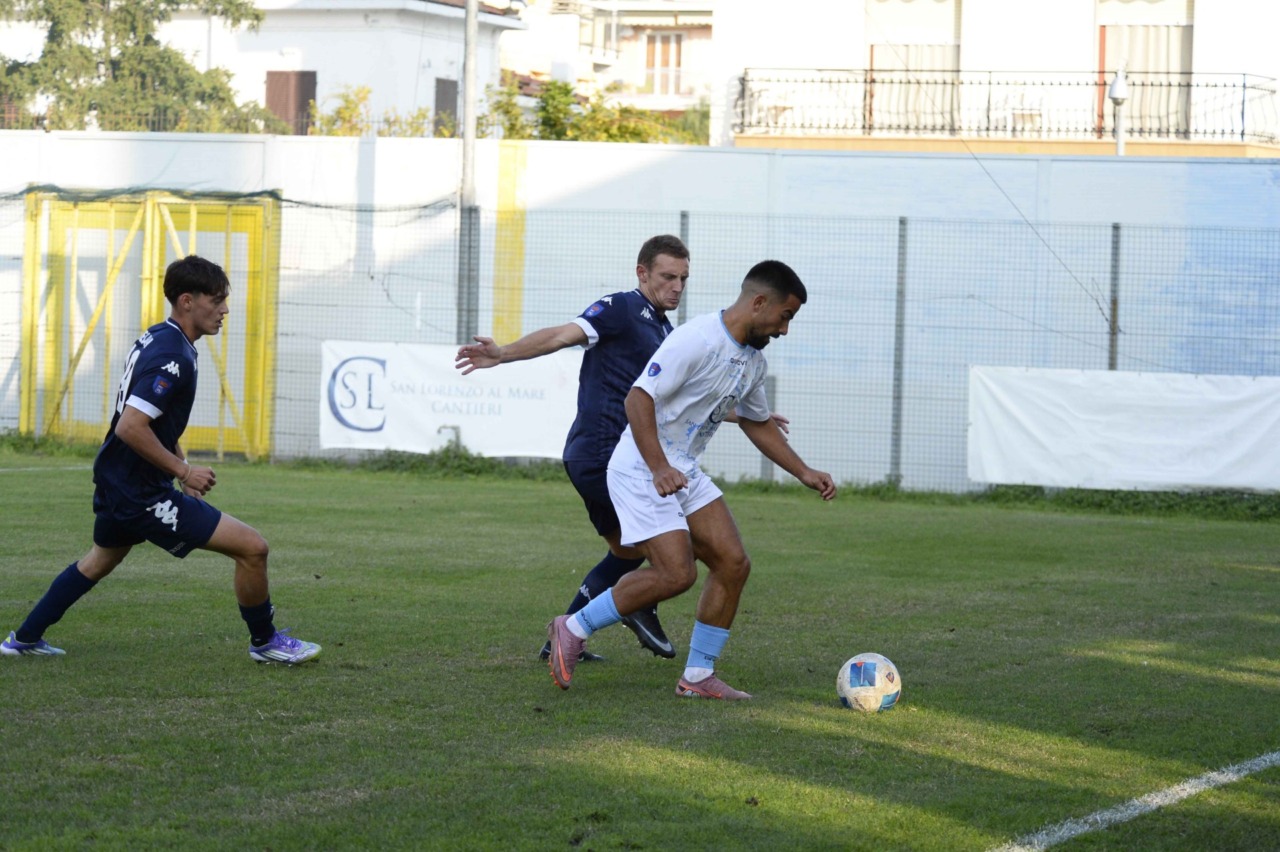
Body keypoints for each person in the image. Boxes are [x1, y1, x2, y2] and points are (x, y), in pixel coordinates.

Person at [1, 255, 321, 665]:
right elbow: (131, 427)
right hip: (139, 491)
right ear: (186, 301)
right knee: (253, 549)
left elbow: (156, 422)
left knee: (99, 560)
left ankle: (23, 639)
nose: (225, 310)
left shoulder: (163, 338)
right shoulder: (172, 355)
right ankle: (266, 643)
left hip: (121, 481)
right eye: (217, 300)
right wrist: (183, 470)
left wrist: (179, 465)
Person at [546, 259, 836, 700]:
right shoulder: (697, 339)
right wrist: (660, 466)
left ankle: (698, 677)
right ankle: (573, 626)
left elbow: (758, 423)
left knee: (733, 563)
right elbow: (638, 398)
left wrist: (804, 471)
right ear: (759, 303)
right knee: (675, 573)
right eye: (785, 316)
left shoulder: (752, 361)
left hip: (682, 468)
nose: (784, 330)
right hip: (642, 466)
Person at [455, 235, 694, 662]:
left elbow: (673, 397)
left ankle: (561, 640)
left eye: (683, 278)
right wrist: (504, 353)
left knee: (625, 551)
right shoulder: (621, 308)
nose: (677, 286)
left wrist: (744, 417)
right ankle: (639, 606)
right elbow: (563, 335)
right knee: (664, 551)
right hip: (602, 453)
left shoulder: (662, 327)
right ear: (642, 273)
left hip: (609, 457)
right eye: (668, 277)